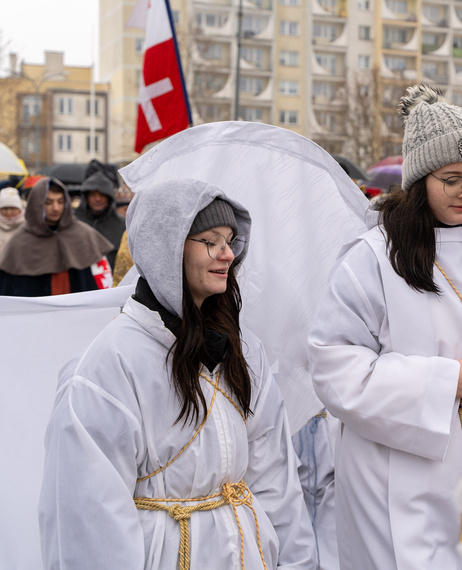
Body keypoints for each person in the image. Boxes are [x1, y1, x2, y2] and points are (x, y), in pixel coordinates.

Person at [308, 84, 462, 569]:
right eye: (452, 179)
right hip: (395, 476)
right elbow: (334, 364)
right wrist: (443, 384)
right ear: (420, 179)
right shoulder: (373, 259)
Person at [38, 178, 317, 569]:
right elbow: (88, 517)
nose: (226, 255)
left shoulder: (243, 349)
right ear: (166, 248)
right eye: (211, 241)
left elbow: (275, 480)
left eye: (230, 241)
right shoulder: (110, 365)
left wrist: (295, 563)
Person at [0, 178, 114, 296]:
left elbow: (103, 281)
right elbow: (7, 292)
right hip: (33, 311)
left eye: (60, 202)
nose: (56, 208)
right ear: (36, 204)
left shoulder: (84, 235)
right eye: (48, 202)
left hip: (78, 311)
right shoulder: (20, 241)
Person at [75, 171, 127, 269]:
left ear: (109, 198)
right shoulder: (74, 222)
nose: (98, 199)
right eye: (93, 195)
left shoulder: (121, 225)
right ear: (86, 197)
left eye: (102, 195)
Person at [0, 187, 25, 253]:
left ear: (20, 209)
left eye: (13, 208)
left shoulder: (28, 226)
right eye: (5, 209)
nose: (9, 212)